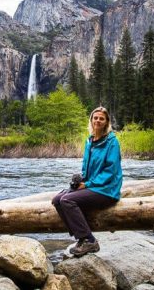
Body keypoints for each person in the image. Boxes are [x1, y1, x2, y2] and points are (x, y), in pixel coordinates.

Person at [52, 106, 123, 256]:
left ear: (106, 122)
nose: (98, 120)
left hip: (107, 189)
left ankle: (89, 240)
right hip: (92, 185)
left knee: (67, 201)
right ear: (91, 120)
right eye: (95, 118)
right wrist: (80, 181)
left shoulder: (112, 142)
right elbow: (86, 169)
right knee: (57, 200)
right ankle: (81, 238)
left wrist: (88, 184)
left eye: (101, 118)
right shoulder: (89, 141)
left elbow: (110, 172)